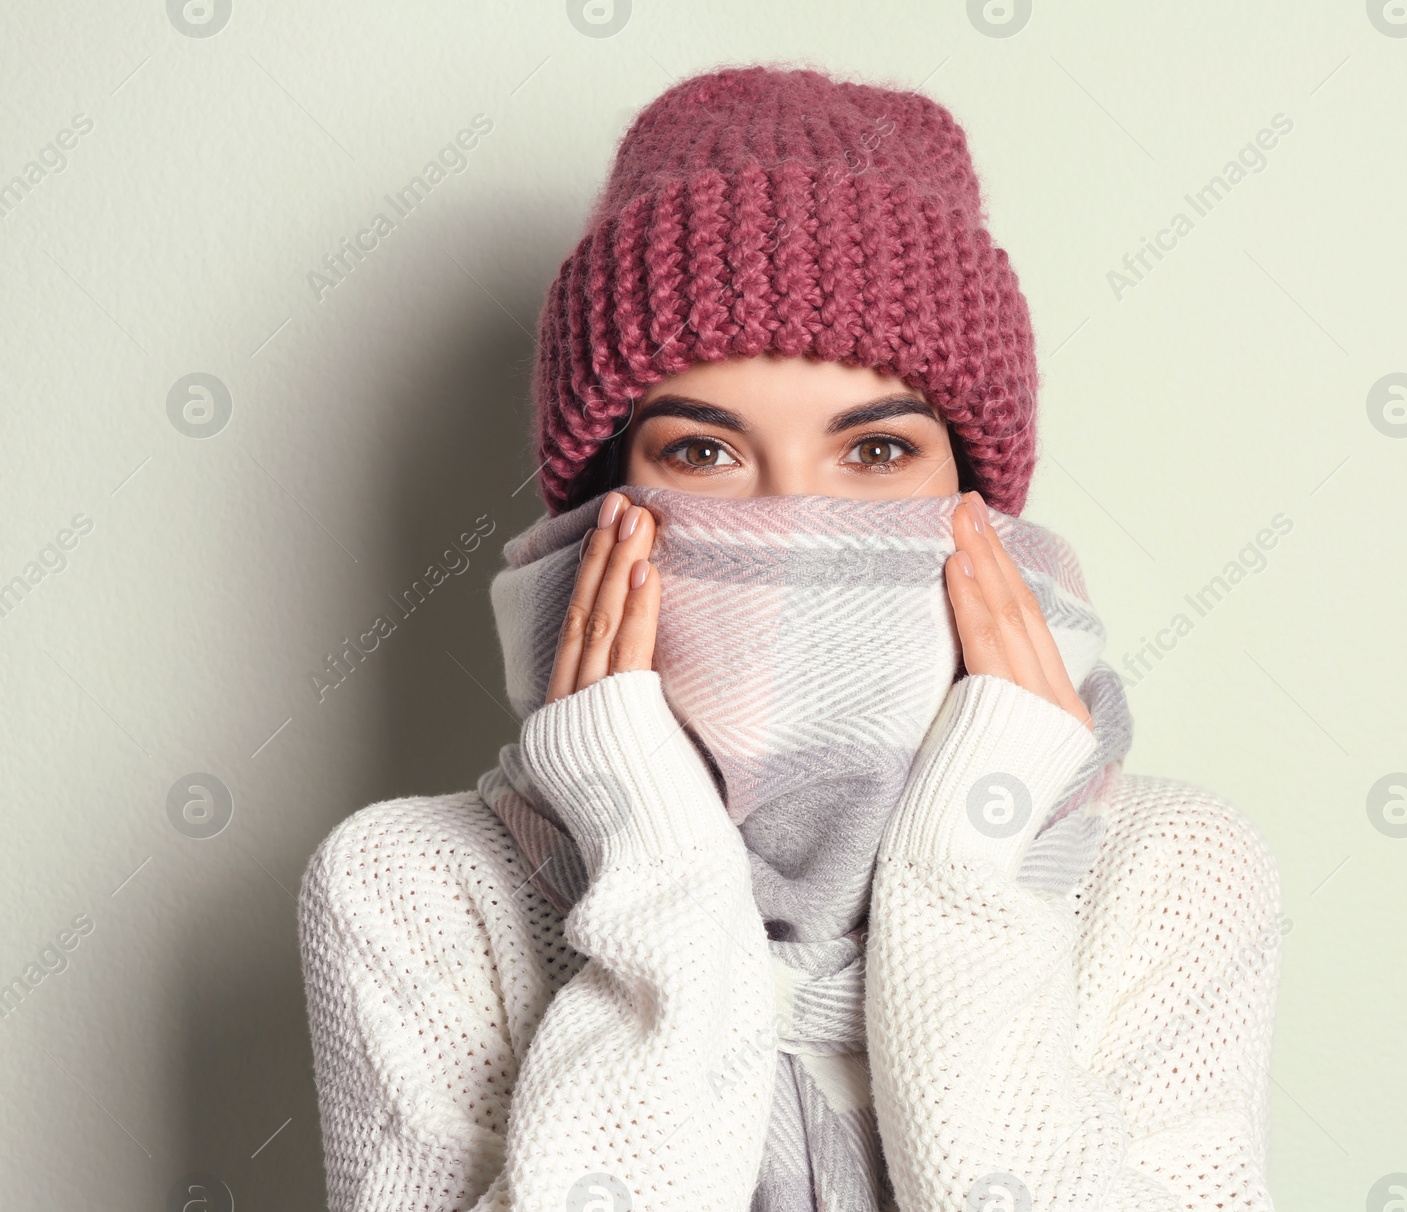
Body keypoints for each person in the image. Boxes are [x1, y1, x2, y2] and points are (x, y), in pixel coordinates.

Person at [298, 63, 1284, 1211]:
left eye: (874, 453)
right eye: (702, 454)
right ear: (597, 506)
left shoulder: (1168, 876)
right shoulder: (415, 893)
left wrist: (971, 862)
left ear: (980, 509)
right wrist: (653, 855)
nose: (787, 519)